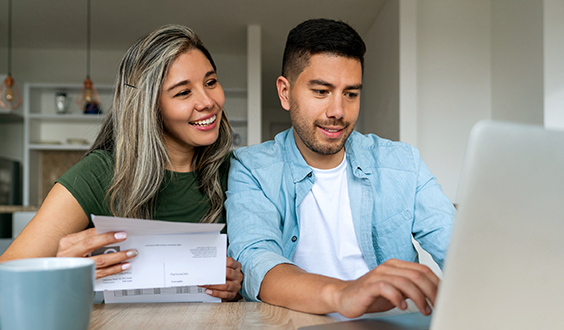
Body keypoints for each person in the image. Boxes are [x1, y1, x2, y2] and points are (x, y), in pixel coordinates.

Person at [225, 18, 455, 316]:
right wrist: (344, 293)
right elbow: (256, 262)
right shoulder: (252, 167)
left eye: (351, 94)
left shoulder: (402, 163)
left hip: (394, 323)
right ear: (285, 92)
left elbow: (459, 249)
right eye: (321, 91)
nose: (338, 111)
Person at [0, 24, 243, 301]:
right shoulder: (99, 174)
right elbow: (6, 276)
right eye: (183, 93)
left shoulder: (236, 172)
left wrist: (238, 285)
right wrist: (62, 271)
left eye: (210, 82)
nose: (208, 101)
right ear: (149, 107)